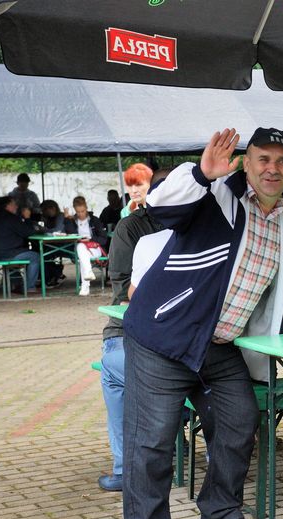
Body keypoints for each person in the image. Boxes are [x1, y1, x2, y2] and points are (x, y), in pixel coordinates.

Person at [121, 127, 283, 519]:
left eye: (282, 161)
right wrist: (201, 174)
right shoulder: (217, 194)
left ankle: (219, 512)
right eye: (263, 159)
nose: (272, 169)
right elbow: (160, 206)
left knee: (240, 421)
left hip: (217, 345)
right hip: (164, 336)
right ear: (247, 162)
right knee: (153, 439)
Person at [96, 162, 158, 493]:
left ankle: (125, 468)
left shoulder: (132, 227)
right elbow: (122, 290)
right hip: (172, 336)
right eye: (130, 185)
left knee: (112, 367)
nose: (135, 190)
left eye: (140, 184)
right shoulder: (204, 222)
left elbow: (122, 291)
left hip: (143, 336)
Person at [0, 197, 39, 293]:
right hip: (6, 254)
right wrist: (27, 218)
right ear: (8, 205)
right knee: (35, 256)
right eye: (14, 204)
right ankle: (29, 287)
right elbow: (28, 232)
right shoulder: (11, 218)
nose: (17, 206)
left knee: (16, 255)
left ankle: (15, 283)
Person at [63, 196, 108, 296]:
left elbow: (103, 239)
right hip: (82, 250)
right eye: (78, 212)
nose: (80, 214)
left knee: (82, 254)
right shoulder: (73, 221)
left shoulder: (94, 220)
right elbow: (70, 233)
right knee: (81, 250)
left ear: (86, 208)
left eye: (83, 211)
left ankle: (85, 285)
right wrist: (67, 219)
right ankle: (87, 277)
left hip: (95, 248)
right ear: (75, 210)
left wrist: (90, 239)